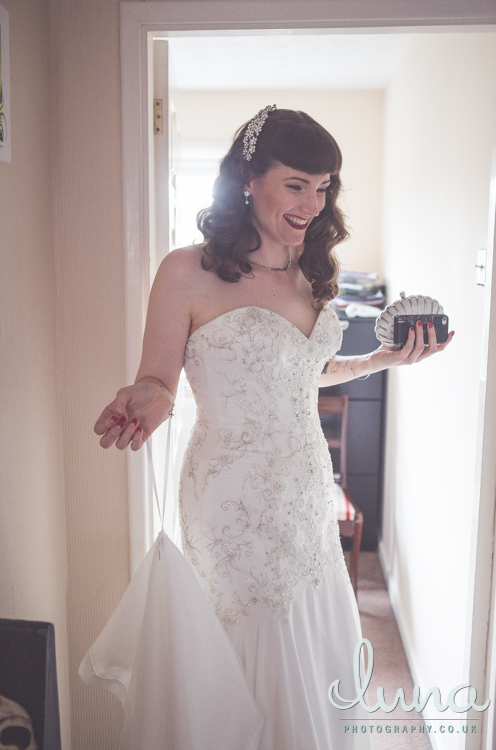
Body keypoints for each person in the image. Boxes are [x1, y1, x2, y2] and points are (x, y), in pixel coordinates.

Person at [91, 106, 454, 749]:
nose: (313, 203)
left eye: (324, 187)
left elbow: (297, 373)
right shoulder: (186, 272)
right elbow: (158, 379)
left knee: (310, 641)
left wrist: (379, 360)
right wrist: (143, 400)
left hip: (307, 488)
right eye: (297, 184)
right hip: (230, 497)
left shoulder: (310, 272)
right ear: (248, 179)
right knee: (252, 636)